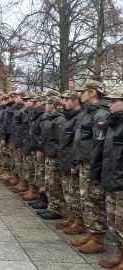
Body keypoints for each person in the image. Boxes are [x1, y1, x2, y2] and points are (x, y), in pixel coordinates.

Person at [69, 80, 110, 254]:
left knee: (95, 201)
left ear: (92, 92)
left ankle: (98, 239)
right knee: (86, 200)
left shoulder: (100, 114)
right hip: (83, 161)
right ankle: (91, 233)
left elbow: (98, 144)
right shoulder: (87, 113)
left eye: (83, 91)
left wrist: (94, 168)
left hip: (92, 164)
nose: (80, 94)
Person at [94, 88, 123, 269]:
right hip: (112, 177)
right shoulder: (114, 123)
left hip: (121, 180)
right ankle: (120, 255)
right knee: (114, 221)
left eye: (114, 101)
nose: (109, 104)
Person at [54, 91, 86, 234]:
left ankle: (79, 222)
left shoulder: (79, 117)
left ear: (75, 100)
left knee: (74, 192)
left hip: (72, 160)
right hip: (65, 159)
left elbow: (77, 143)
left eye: (66, 99)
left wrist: (74, 162)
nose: (64, 102)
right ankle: (72, 218)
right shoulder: (69, 117)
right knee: (68, 191)